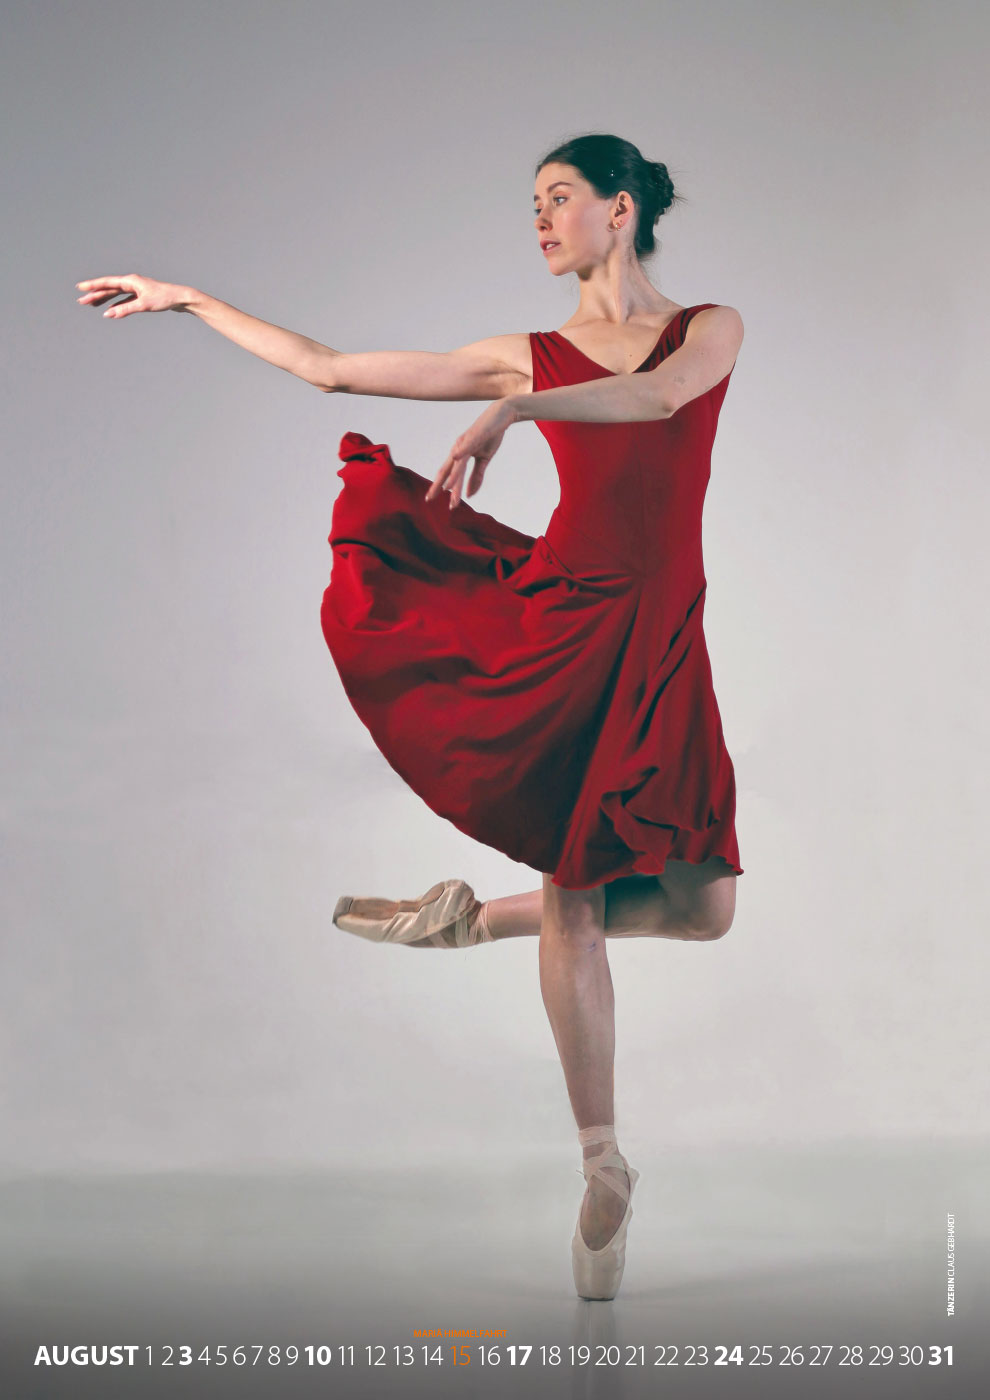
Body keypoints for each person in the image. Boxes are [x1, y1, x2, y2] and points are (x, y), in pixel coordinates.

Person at [75, 131, 744, 1303]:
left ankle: (466, 921)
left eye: (559, 197)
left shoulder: (708, 329)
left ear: (621, 208)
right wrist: (191, 300)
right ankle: (604, 1163)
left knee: (704, 907)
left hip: (663, 635)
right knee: (579, 894)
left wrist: (522, 407)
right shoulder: (520, 353)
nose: (540, 218)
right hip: (567, 625)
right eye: (531, 203)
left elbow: (658, 395)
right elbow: (331, 369)